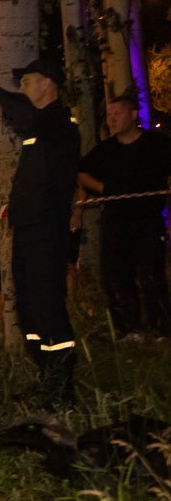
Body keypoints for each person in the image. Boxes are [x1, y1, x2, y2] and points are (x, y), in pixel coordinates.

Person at [0, 60, 80, 404]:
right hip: (27, 229)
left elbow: (24, 114)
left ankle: (61, 386)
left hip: (47, 229)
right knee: (28, 307)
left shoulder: (58, 122)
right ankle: (45, 377)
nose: (23, 87)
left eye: (27, 81)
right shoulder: (39, 127)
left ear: (48, 83)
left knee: (47, 304)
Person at [76, 94, 171, 338]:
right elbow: (82, 173)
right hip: (115, 222)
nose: (112, 119)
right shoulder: (105, 150)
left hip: (148, 221)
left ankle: (160, 329)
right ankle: (128, 329)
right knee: (117, 276)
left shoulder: (157, 145)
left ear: (133, 114)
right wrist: (103, 189)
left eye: (117, 114)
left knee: (152, 275)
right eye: (109, 115)